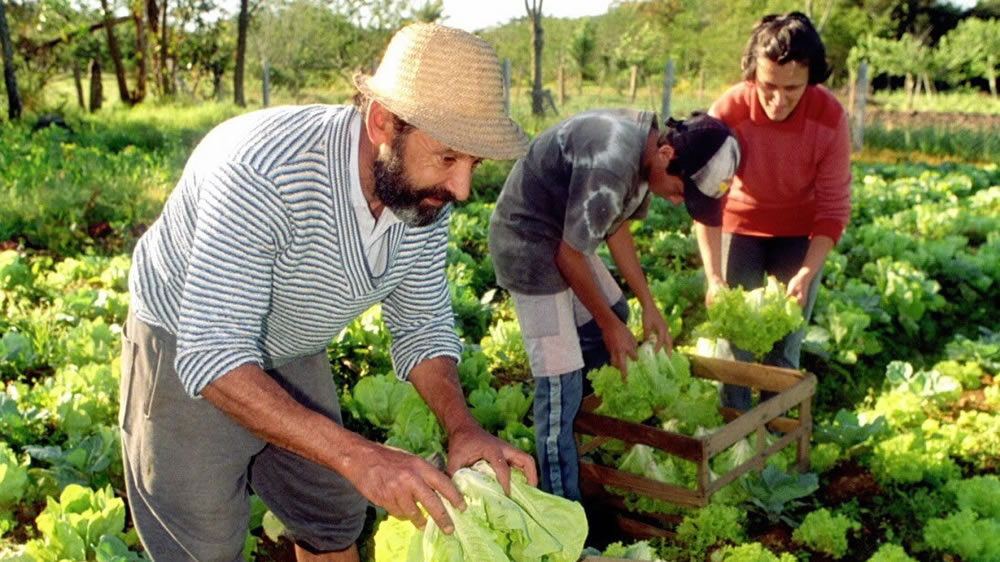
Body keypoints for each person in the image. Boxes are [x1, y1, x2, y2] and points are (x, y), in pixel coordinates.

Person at [119, 22, 537, 562]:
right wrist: (362, 456)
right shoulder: (260, 171)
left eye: (474, 164)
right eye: (448, 157)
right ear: (383, 121)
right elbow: (216, 354)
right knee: (202, 545)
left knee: (333, 514)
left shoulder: (421, 200)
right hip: (188, 344)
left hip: (290, 341)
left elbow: (423, 326)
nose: (461, 189)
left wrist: (463, 429)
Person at [488, 109, 740, 501]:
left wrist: (648, 306)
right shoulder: (614, 161)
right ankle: (563, 507)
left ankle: (581, 417)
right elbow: (569, 256)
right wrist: (608, 325)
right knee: (560, 384)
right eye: (680, 190)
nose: (677, 202)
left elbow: (616, 226)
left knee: (617, 315)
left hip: (564, 235)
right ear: (668, 154)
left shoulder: (646, 151)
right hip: (528, 242)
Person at [699, 12, 852, 410]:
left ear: (811, 80)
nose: (778, 100)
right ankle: (734, 440)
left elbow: (833, 209)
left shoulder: (830, 118)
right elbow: (707, 200)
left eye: (792, 89)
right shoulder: (728, 111)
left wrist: (806, 272)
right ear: (752, 75)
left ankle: (776, 439)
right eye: (768, 86)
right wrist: (714, 278)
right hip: (740, 226)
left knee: (785, 347)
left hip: (800, 234)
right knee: (735, 347)